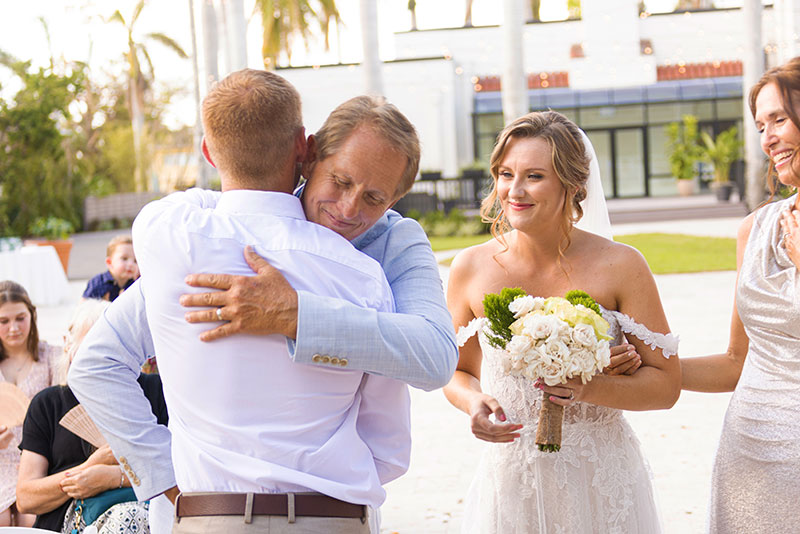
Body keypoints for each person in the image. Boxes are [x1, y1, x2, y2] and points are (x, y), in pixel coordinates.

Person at [70, 69, 412, 534]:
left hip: (208, 514)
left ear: (209, 153)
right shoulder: (362, 276)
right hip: (330, 517)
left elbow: (93, 368)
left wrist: (162, 477)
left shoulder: (168, 238)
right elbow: (389, 447)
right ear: (304, 147)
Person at [443, 111, 681, 533]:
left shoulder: (622, 265)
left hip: (600, 478)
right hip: (512, 479)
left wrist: (591, 386)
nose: (514, 191)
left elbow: (666, 387)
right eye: (505, 173)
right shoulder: (470, 268)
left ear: (572, 185)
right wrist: (473, 403)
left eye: (534, 176)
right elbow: (454, 370)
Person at [681, 57, 800, 533]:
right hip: (747, 454)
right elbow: (736, 361)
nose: (768, 137)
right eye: (760, 126)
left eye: (779, 119)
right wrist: (649, 367)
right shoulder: (754, 229)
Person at [16, 299, 167, 532]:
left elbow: (183, 468)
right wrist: (87, 469)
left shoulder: (156, 390)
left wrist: (114, 476)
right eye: (92, 347)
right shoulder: (48, 404)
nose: (102, 357)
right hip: (74, 520)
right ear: (68, 344)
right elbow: (26, 498)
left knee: (132, 517)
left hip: (146, 512)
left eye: (113, 347)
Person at [0, 280, 58, 527]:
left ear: (32, 316)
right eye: (3, 321)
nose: (13, 328)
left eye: (20, 318)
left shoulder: (51, 357)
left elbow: (64, 414)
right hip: (1, 459)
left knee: (32, 520)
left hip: (39, 458)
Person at [82, 235, 139, 301]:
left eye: (135, 261)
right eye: (124, 259)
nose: (131, 264)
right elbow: (83, 306)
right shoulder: (98, 283)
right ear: (109, 262)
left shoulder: (134, 285)